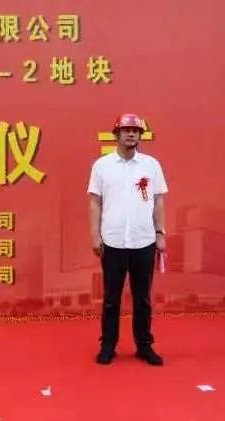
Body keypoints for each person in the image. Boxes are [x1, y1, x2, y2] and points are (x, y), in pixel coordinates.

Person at [88, 113, 168, 366]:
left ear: (140, 136)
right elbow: (95, 202)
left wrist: (160, 233)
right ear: (117, 134)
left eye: (136, 131)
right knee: (111, 299)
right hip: (112, 241)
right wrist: (95, 235)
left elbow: (158, 201)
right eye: (126, 130)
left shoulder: (151, 165)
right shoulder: (102, 166)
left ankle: (144, 346)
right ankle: (108, 346)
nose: (131, 134)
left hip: (144, 240)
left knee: (142, 298)